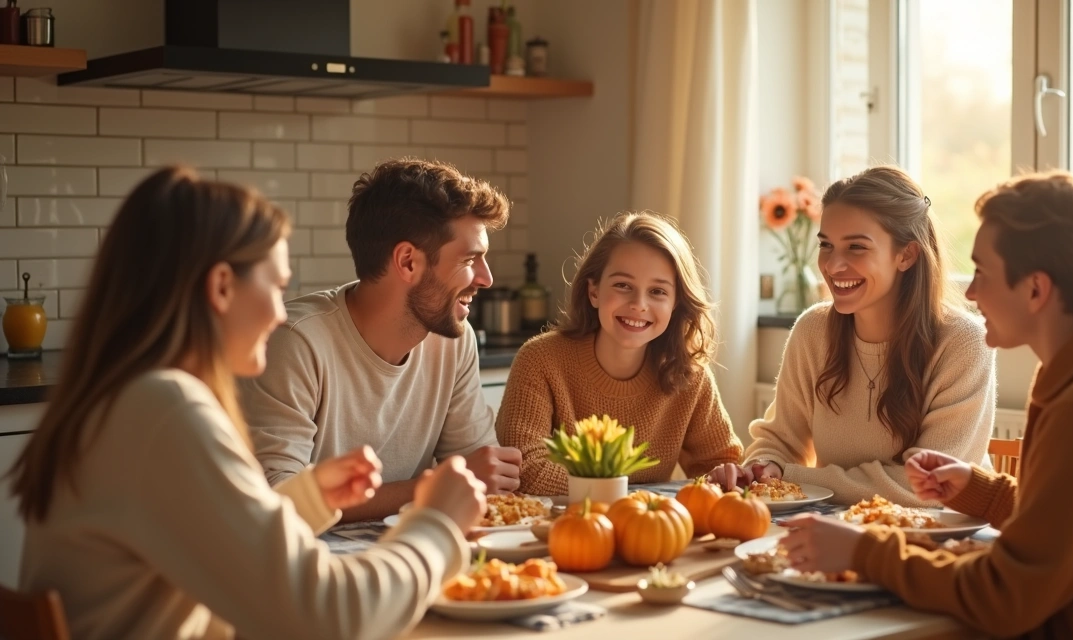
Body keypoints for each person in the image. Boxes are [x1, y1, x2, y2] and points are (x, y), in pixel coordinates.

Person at [8, 167, 488, 640]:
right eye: (277, 287)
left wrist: (309, 497)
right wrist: (436, 522)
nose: (282, 312)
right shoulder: (165, 410)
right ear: (221, 287)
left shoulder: (127, 400)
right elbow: (330, 617)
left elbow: (216, 542)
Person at [780, 171, 1073, 638]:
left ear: (1036, 289)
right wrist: (985, 492)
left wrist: (864, 553)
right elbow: (1063, 526)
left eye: (982, 273)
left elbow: (1005, 597)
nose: (970, 293)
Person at [242, 158, 521, 522]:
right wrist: (431, 488)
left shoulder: (453, 339)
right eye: (470, 259)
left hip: (407, 551)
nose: (486, 279)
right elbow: (278, 503)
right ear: (407, 262)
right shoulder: (297, 343)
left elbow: (480, 474)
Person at [709, 166, 995, 507]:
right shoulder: (813, 330)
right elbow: (780, 441)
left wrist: (787, 475)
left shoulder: (964, 342)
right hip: (835, 533)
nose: (832, 265)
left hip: (940, 542)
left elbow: (922, 486)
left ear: (906, 254)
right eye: (826, 245)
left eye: (856, 247)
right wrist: (761, 468)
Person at [496, 211, 743, 494]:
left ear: (676, 302)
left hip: (650, 528)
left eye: (658, 291)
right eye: (623, 286)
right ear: (594, 292)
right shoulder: (540, 360)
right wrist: (628, 498)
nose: (639, 304)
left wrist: (724, 475)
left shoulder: (690, 375)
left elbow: (721, 464)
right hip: (563, 529)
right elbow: (526, 469)